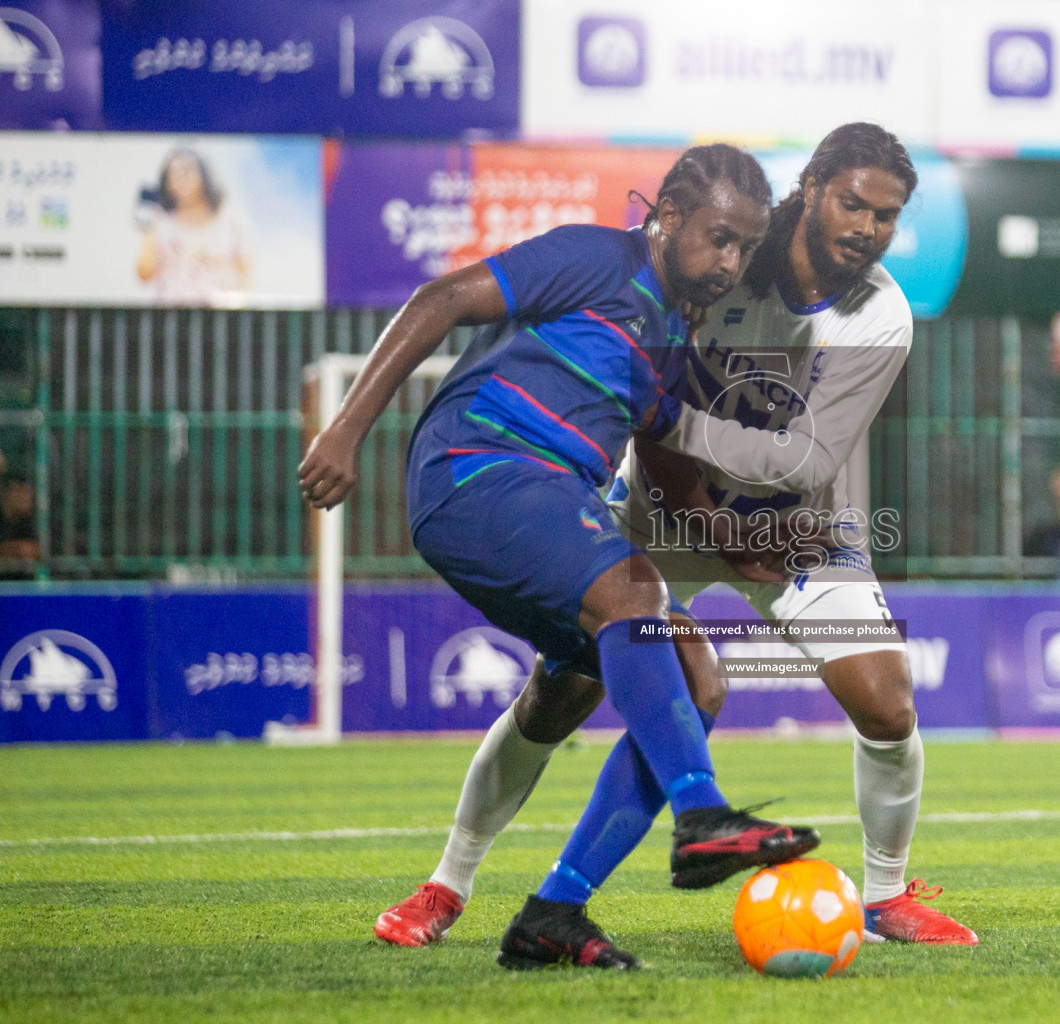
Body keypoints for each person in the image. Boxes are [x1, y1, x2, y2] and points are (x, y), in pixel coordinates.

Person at [370, 123, 977, 956]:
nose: (868, 228)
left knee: (887, 700)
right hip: (667, 508)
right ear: (808, 189)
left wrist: (691, 442)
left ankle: (884, 896)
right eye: (852, 203)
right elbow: (647, 421)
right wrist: (703, 512)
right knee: (559, 696)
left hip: (793, 525)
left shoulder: (880, 313)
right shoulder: (719, 256)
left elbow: (809, 456)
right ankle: (448, 882)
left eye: (886, 216)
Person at [299, 144, 820, 971]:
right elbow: (441, 298)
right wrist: (345, 428)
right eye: (719, 238)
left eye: (743, 249)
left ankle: (552, 911)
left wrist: (737, 547)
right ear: (669, 215)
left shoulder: (672, 345)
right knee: (635, 593)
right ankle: (701, 816)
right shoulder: (591, 257)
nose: (729, 263)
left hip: (556, 505)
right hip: (473, 469)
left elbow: (666, 462)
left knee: (684, 678)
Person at [135, 147, 251, 305]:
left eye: (186, 172)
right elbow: (144, 274)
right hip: (172, 318)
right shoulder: (162, 221)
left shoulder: (231, 220)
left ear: (203, 175)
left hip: (220, 318)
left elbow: (245, 273)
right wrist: (150, 227)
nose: (179, 180)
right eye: (173, 175)